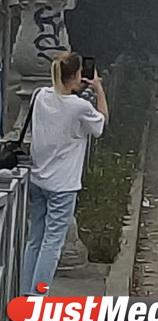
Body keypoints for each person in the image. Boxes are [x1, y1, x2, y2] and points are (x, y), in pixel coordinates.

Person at [21, 52, 108, 296]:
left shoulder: (40, 96)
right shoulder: (79, 106)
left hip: (38, 178)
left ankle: (25, 296)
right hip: (63, 184)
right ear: (77, 76)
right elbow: (101, 124)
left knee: (34, 240)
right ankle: (37, 300)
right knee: (52, 245)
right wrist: (99, 89)